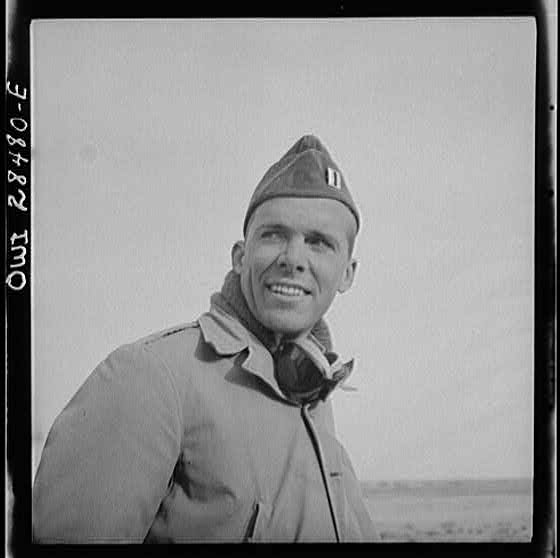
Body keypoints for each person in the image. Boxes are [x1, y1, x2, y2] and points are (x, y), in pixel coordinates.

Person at [32, 134, 377, 543]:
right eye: (273, 235)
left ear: (347, 274)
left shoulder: (314, 403)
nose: (293, 259)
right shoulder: (153, 378)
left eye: (319, 243)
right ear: (239, 255)